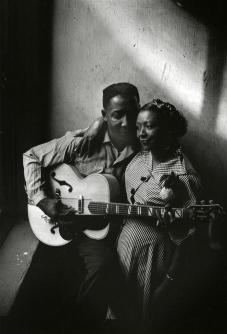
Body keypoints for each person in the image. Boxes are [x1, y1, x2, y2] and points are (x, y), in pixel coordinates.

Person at [22, 82, 140, 333]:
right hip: (68, 223)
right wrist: (42, 200)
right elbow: (30, 156)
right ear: (104, 115)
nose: (127, 122)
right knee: (101, 265)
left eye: (133, 112)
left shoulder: (143, 145)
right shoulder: (83, 141)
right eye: (118, 114)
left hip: (107, 223)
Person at [117, 98, 202, 333]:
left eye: (149, 126)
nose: (141, 133)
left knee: (144, 322)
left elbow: (189, 238)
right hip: (125, 251)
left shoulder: (183, 176)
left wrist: (168, 283)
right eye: (138, 127)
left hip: (153, 261)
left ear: (168, 130)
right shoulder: (141, 157)